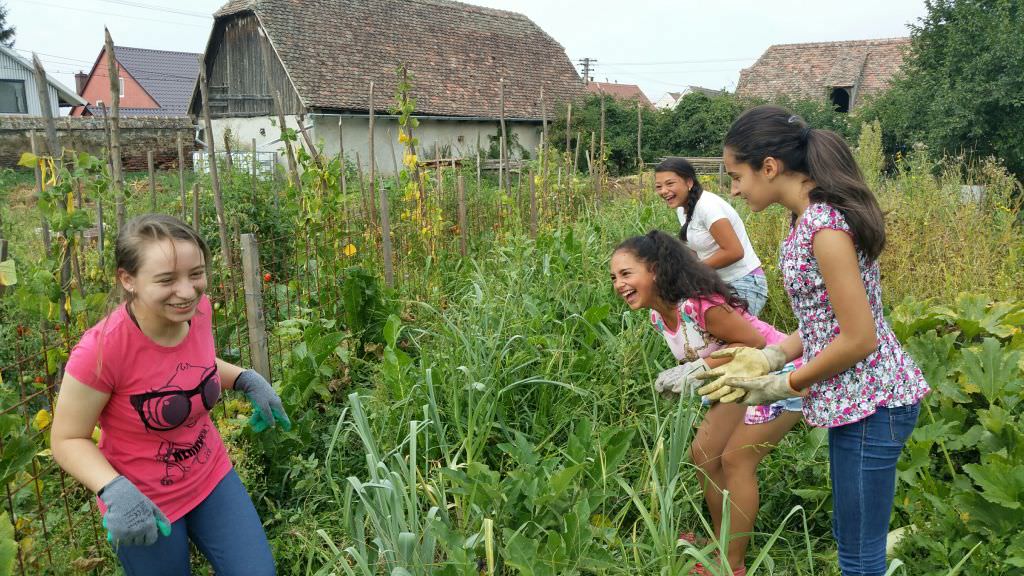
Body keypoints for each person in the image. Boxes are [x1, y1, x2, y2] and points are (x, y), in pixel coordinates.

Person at [696, 105, 930, 576]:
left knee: (859, 559)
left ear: (770, 166)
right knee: (853, 542)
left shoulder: (824, 228)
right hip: (858, 399)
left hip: (874, 402)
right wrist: (774, 354)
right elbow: (826, 320)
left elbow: (859, 336)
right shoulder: (806, 221)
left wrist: (784, 384)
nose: (734, 190)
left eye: (736, 175)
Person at [50, 214, 290, 576]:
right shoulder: (101, 351)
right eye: (167, 280)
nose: (188, 291)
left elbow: (192, 366)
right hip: (143, 502)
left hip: (212, 478)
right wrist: (113, 489)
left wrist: (243, 378)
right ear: (127, 279)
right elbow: (67, 438)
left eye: (196, 274)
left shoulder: (196, 310)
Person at [610, 230, 802, 576]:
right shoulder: (660, 317)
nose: (619, 284)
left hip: (778, 376)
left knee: (735, 460)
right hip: (738, 381)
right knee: (704, 455)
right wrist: (688, 374)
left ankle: (733, 565)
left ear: (654, 269)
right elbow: (713, 357)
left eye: (626, 274)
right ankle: (721, 541)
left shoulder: (698, 306)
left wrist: (698, 367)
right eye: (614, 277)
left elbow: (756, 343)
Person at [653, 157, 769, 316]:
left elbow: (734, 251)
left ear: (689, 182)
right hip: (717, 284)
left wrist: (691, 270)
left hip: (744, 283)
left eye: (670, 184)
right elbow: (694, 252)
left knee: (735, 338)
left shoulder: (708, 206)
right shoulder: (683, 209)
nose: (663, 191)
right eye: (659, 186)